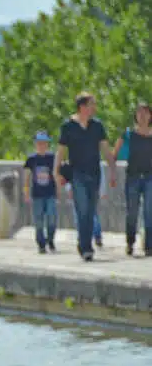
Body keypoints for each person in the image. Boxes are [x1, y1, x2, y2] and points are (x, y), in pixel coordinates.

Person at [57, 92, 114, 260]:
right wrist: (56, 173)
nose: (94, 108)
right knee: (82, 210)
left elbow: (105, 149)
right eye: (91, 104)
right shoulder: (68, 126)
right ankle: (86, 247)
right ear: (82, 107)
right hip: (77, 174)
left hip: (94, 173)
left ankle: (83, 242)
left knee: (90, 211)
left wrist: (112, 169)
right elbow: (60, 151)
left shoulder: (97, 126)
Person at [121, 101, 152, 257]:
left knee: (149, 212)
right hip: (132, 177)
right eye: (139, 112)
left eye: (146, 112)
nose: (142, 115)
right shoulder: (129, 134)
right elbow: (115, 152)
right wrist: (112, 172)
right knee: (132, 212)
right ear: (135, 116)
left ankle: (149, 246)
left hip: (149, 178)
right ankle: (130, 242)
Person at [23, 131, 59, 253]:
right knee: (38, 220)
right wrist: (26, 192)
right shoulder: (31, 159)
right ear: (36, 144)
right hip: (37, 194)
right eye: (39, 143)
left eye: (44, 143)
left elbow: (56, 175)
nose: (42, 145)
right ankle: (41, 243)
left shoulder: (52, 158)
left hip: (50, 193)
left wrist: (58, 190)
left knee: (52, 218)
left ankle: (50, 239)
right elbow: (27, 177)